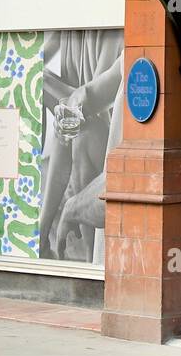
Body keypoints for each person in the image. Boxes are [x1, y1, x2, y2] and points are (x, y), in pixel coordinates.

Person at [39, 30, 123, 260]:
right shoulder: (69, 26)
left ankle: (90, 259)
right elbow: (75, 111)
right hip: (79, 125)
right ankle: (44, 231)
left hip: (109, 147)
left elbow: (91, 99)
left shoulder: (111, 33)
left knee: (80, 132)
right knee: (71, 122)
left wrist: (48, 82)